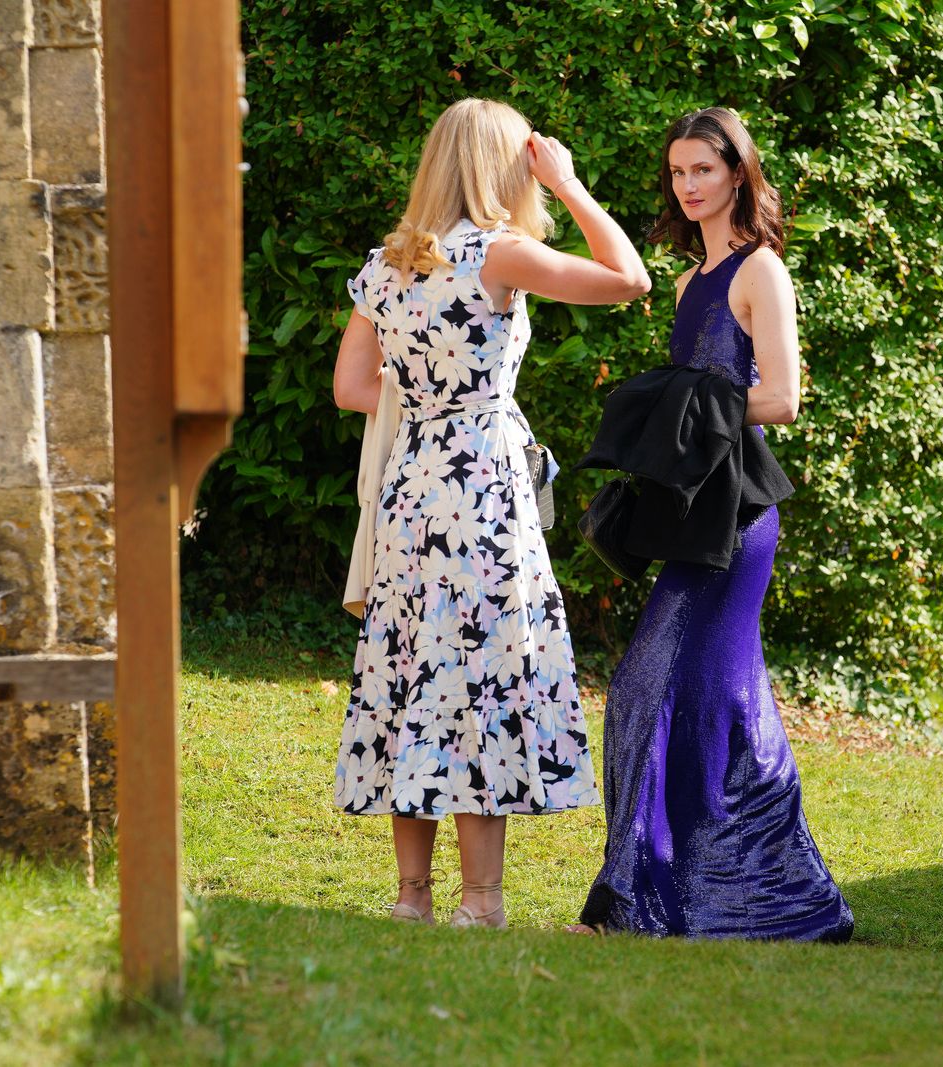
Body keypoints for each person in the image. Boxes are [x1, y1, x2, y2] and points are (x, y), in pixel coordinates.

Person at [330, 97, 650, 928]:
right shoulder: (499, 253)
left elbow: (352, 387)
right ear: (507, 168)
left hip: (412, 486)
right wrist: (570, 185)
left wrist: (425, 387)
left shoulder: (386, 264)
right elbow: (629, 278)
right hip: (482, 486)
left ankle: (412, 896)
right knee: (479, 670)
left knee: (412, 667)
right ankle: (482, 901)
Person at [570, 107, 854, 941]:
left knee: (647, 687)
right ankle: (748, 895)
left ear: (737, 173)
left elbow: (783, 397)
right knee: (704, 698)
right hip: (694, 513)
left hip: (739, 518)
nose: (689, 185)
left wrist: (686, 404)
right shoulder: (691, 280)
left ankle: (636, 902)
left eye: (703, 169)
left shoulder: (761, 270)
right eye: (678, 171)